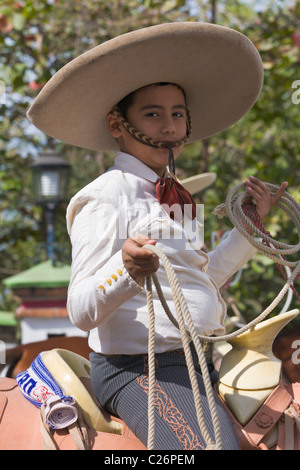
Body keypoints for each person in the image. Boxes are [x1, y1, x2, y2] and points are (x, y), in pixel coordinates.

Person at [27, 22, 287, 450]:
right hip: (139, 370)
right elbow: (80, 310)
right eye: (153, 114)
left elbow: (200, 283)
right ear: (117, 123)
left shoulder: (173, 196)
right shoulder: (106, 195)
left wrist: (250, 225)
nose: (169, 126)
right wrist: (126, 270)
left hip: (199, 363)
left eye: (177, 114)